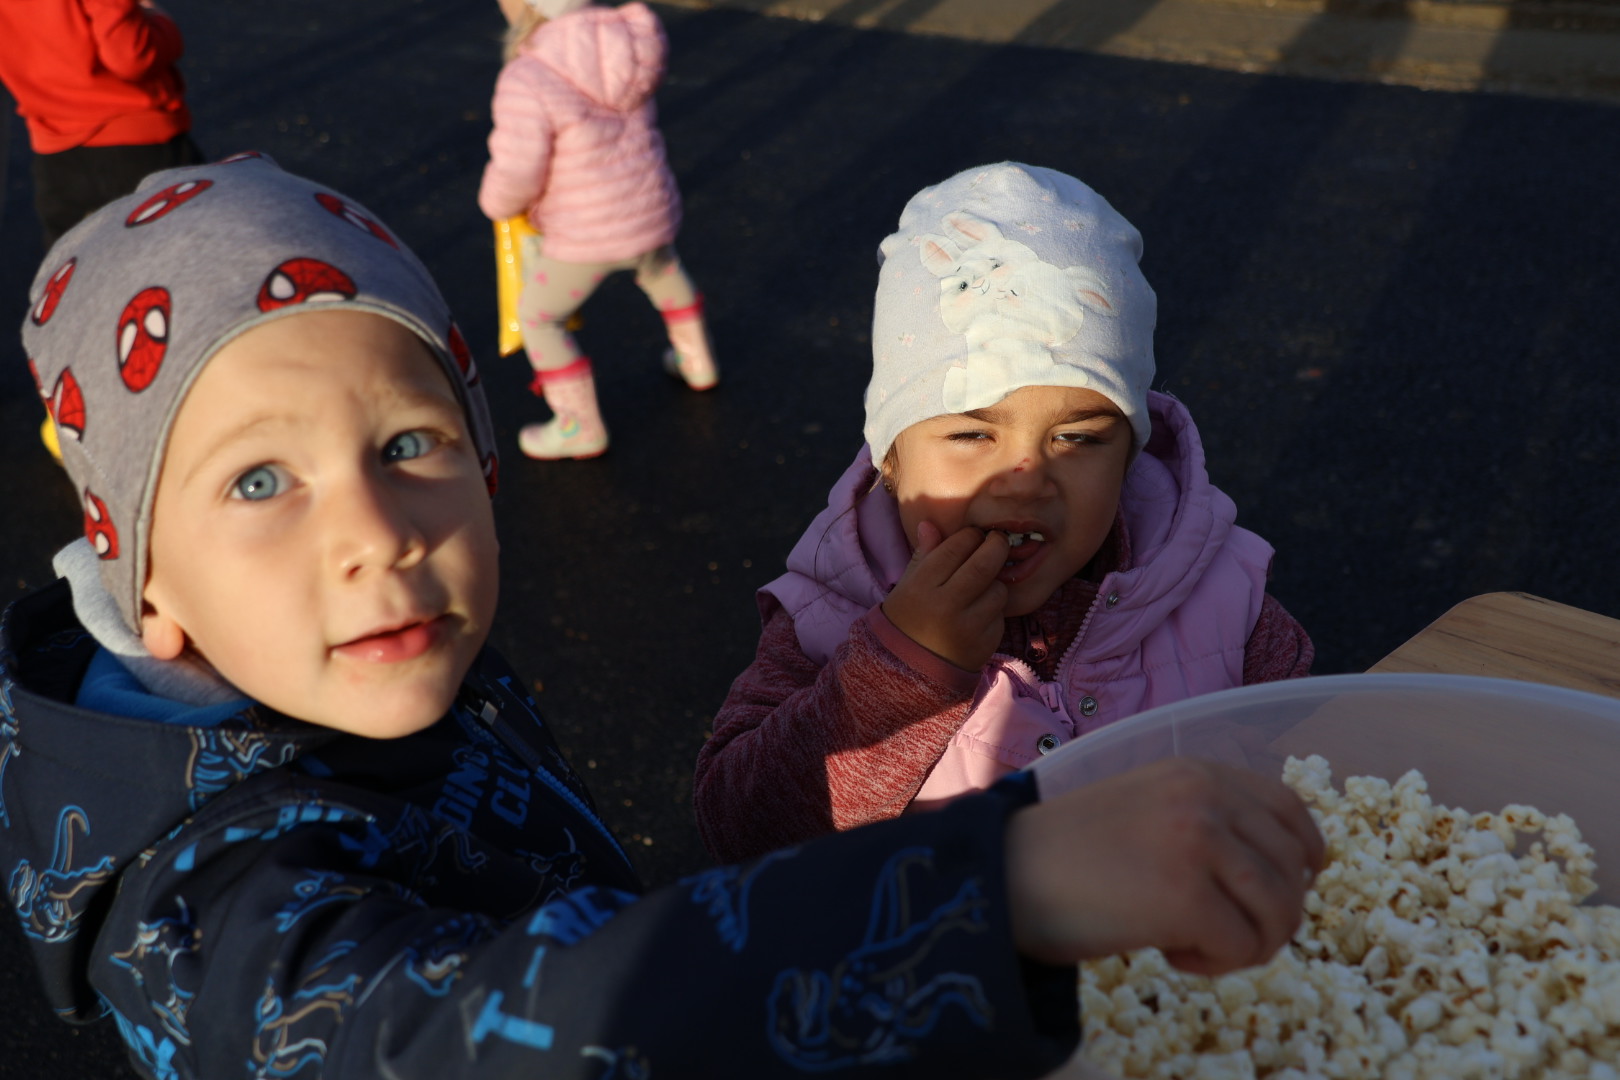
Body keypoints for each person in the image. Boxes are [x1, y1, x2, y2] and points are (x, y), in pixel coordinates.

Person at [1, 156, 1321, 1080]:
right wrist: (999, 884)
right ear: (145, 577)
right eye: (258, 479)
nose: (373, 533)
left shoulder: (378, 672)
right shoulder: (205, 920)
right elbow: (510, 1034)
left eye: (408, 443)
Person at [694, 163, 1315, 864]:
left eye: (1077, 438)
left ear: (1130, 455)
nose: (1025, 483)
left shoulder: (1215, 590)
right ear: (891, 458)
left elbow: (1322, 760)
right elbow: (740, 833)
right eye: (972, 434)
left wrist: (1258, 760)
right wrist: (897, 671)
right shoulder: (827, 615)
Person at [477, 0, 716, 461]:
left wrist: (496, 204)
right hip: (649, 213)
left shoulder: (529, 76)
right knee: (663, 274)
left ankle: (578, 425)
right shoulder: (632, 44)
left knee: (539, 317)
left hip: (586, 236)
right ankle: (698, 362)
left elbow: (519, 169)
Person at [0, 0, 204, 251]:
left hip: (55, 155)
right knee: (188, 256)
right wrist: (162, 24)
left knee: (78, 273)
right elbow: (131, 55)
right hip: (140, 143)